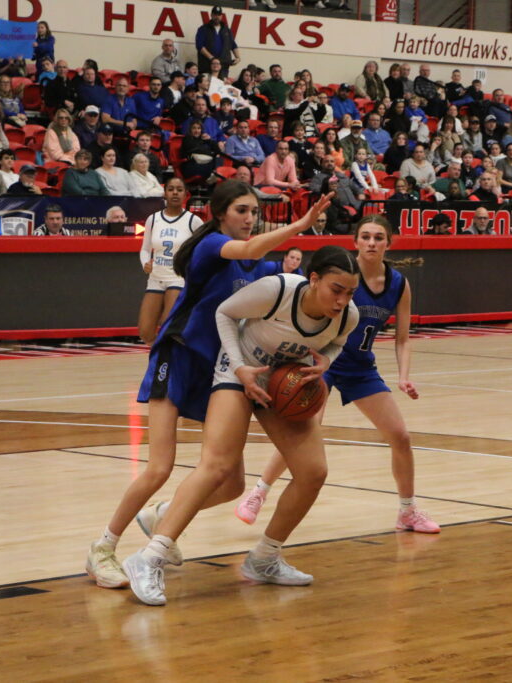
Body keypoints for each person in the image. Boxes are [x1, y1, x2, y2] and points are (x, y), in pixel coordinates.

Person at [84, 181, 332, 593]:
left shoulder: (258, 268)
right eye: (241, 210)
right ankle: (102, 548)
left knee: (231, 483)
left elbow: (288, 288)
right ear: (219, 214)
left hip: (219, 369)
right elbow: (249, 249)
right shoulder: (210, 246)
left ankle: (161, 516)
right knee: (160, 466)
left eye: (254, 212)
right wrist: (301, 224)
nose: (250, 219)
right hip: (179, 355)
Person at [124, 243, 359, 605]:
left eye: (350, 293)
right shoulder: (278, 289)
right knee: (217, 467)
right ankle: (149, 557)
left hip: (280, 383)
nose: (342, 300)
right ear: (314, 279)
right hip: (239, 371)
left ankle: (264, 558)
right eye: (336, 290)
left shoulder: (347, 316)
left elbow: (336, 344)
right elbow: (225, 313)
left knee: (313, 471)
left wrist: (325, 362)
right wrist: (238, 366)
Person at [238, 214, 439, 531]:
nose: (371, 243)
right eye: (366, 236)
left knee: (400, 436)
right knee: (305, 431)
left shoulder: (399, 284)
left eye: (378, 238)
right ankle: (259, 492)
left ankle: (407, 511)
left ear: (389, 243)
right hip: (321, 361)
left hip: (360, 367)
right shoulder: (341, 276)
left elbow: (402, 339)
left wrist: (403, 376)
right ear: (355, 241)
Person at [138, 177, 204, 344]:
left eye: (179, 190)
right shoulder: (153, 219)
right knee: (145, 332)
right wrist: (145, 263)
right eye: (171, 189)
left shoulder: (194, 221)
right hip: (155, 278)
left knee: (168, 328)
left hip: (178, 278)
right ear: (165, 193)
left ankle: (167, 359)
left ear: (185, 194)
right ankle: (160, 355)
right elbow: (145, 249)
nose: (175, 193)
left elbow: (204, 249)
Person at [196, 7, 239, 79]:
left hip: (223, 67)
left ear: (221, 16)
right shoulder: (203, 29)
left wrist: (238, 57)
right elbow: (200, 46)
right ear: (211, 15)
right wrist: (212, 58)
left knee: (221, 85)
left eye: (219, 15)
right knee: (206, 84)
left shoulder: (227, 30)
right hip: (207, 66)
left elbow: (233, 44)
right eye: (215, 15)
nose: (217, 17)